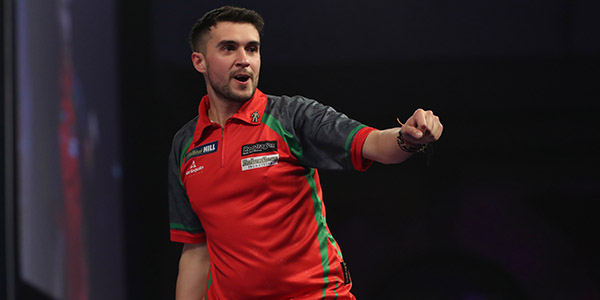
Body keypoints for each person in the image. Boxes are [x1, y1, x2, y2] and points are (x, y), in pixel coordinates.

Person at [168, 6, 443, 300]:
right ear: (199, 61)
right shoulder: (185, 145)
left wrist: (407, 138)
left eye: (252, 49)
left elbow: (374, 144)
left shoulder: (292, 116)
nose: (244, 60)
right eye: (228, 49)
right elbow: (196, 250)